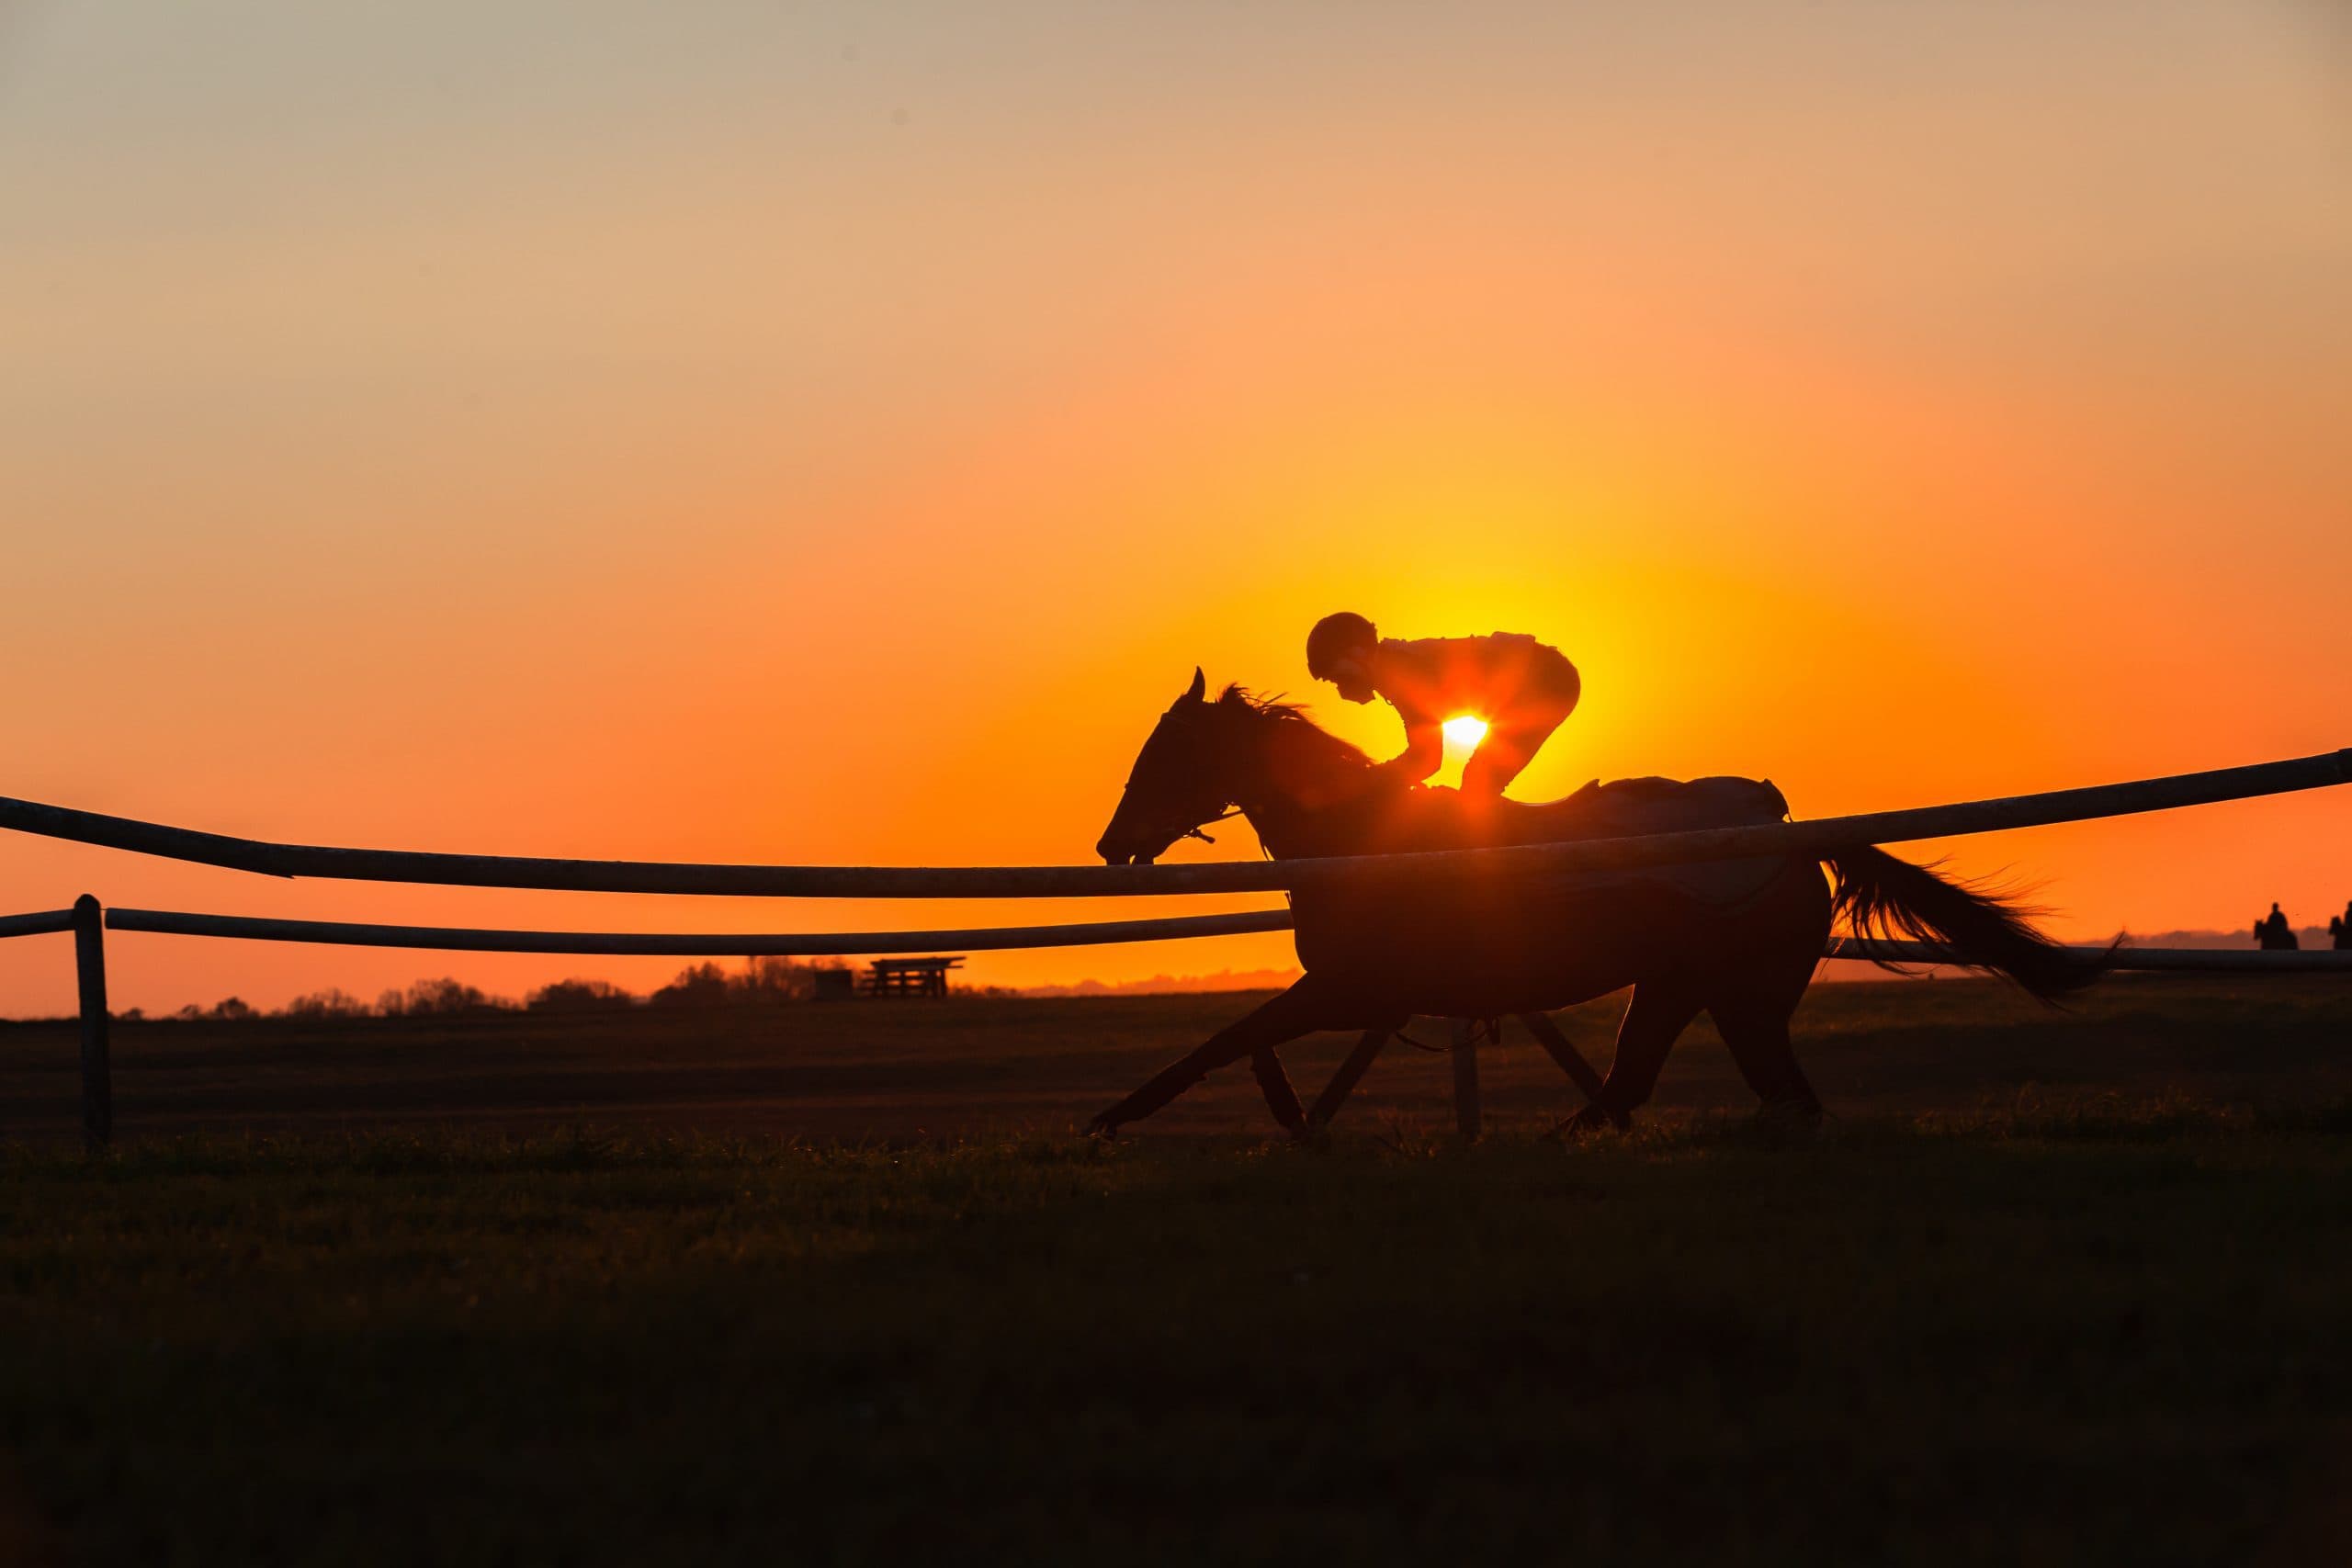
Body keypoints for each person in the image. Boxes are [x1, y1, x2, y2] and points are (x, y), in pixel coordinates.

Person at [1306, 612, 1579, 797]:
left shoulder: (1401, 672)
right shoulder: (1393, 669)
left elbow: (1426, 760)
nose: (1340, 688)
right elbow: (1426, 758)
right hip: (1539, 679)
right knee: (1477, 785)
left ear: (1357, 658)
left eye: (1337, 678)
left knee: (1477, 785)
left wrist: (1367, 781)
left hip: (1546, 680)